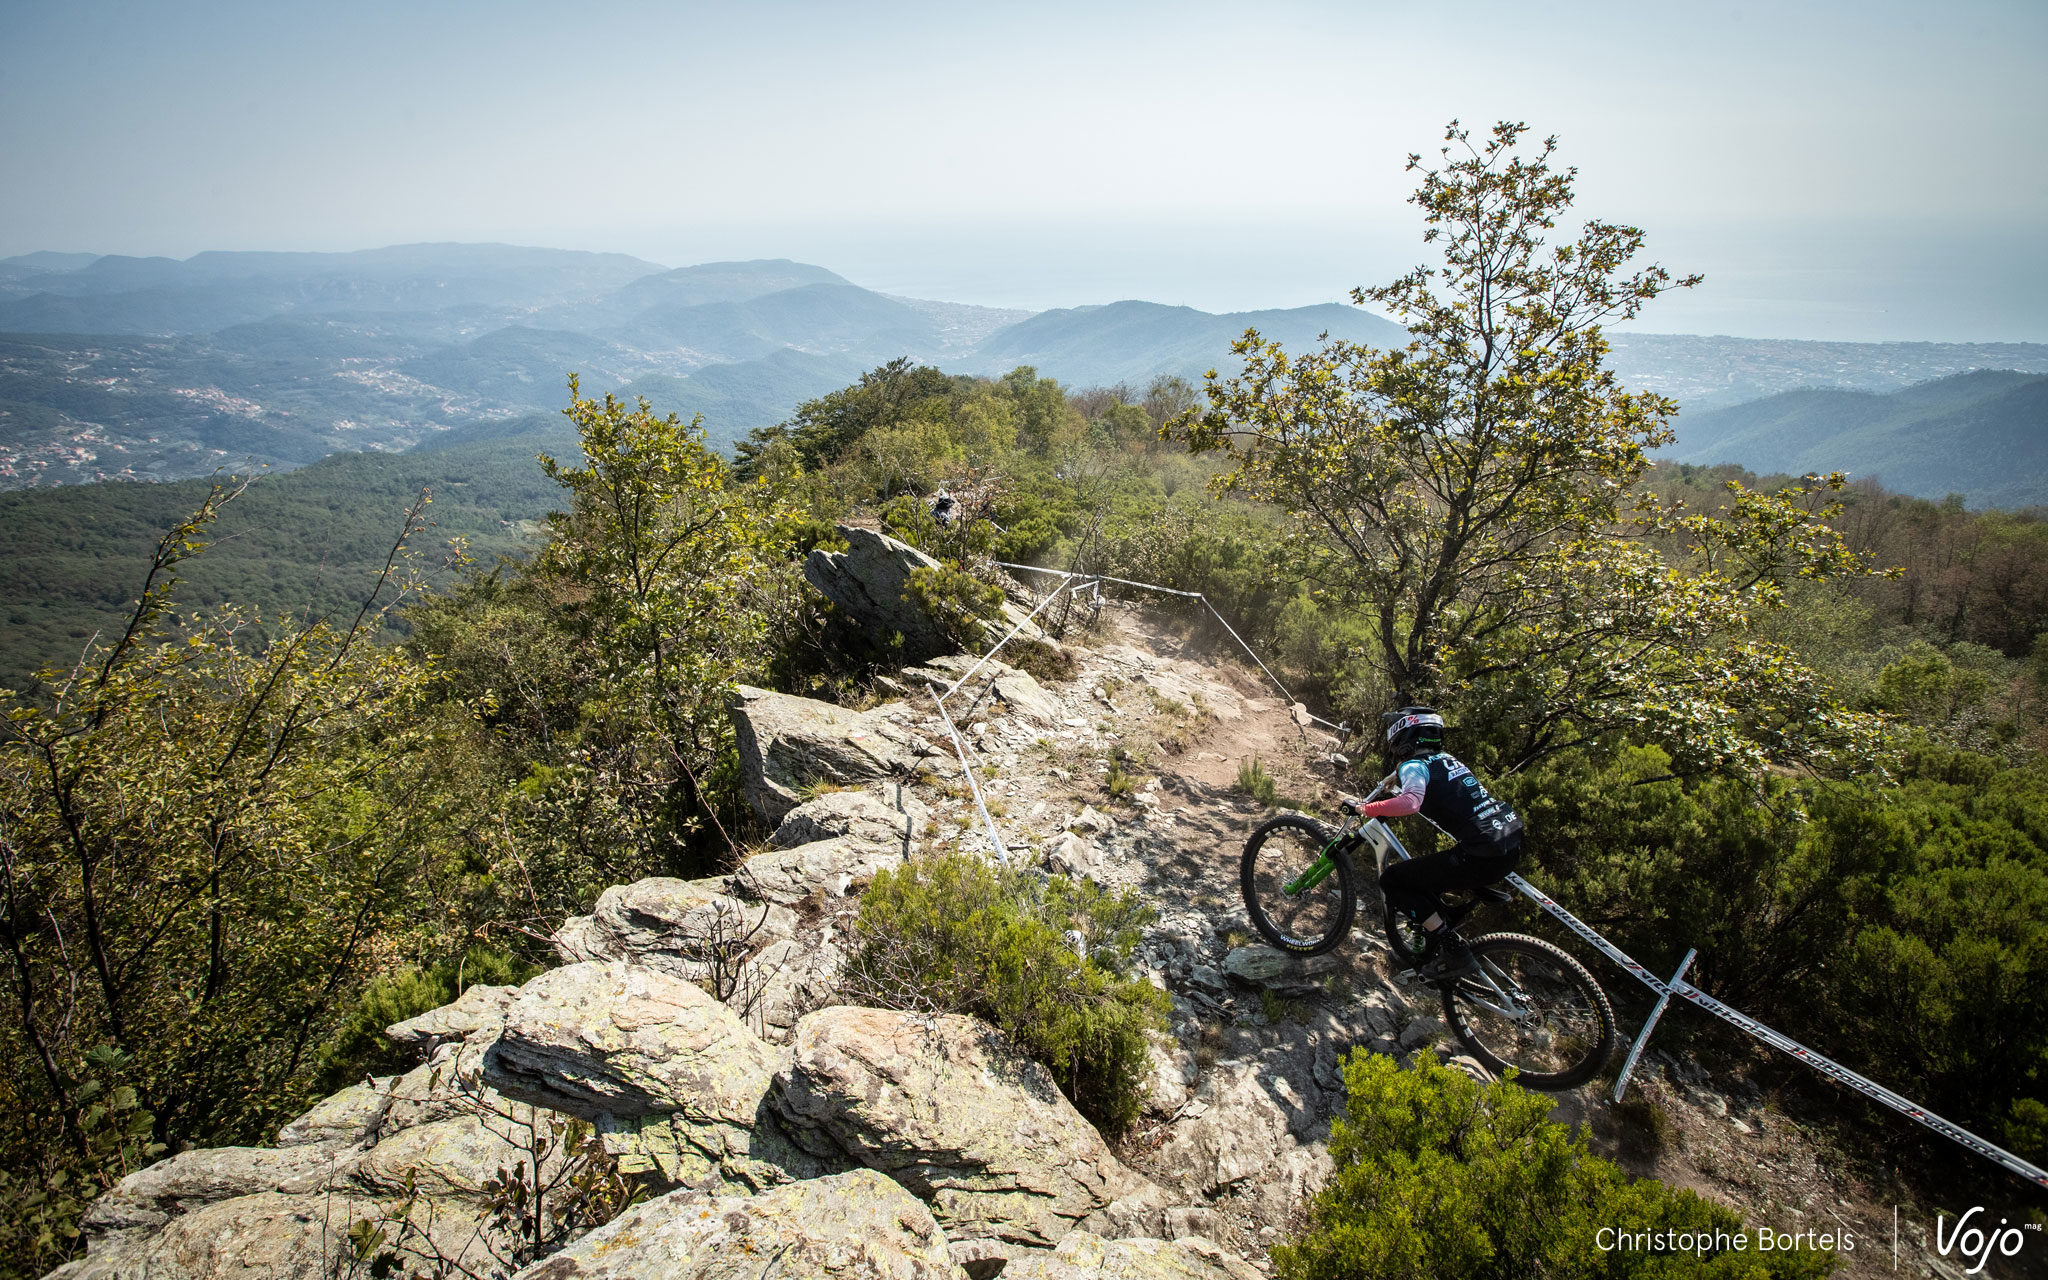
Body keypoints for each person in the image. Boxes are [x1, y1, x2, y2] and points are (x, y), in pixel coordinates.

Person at [1350, 706, 1523, 981]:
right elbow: (1434, 779)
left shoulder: (1414, 766)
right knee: (1424, 878)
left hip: (1480, 857)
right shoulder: (1447, 759)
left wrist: (1367, 809)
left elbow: (1411, 802)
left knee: (1393, 881)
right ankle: (1428, 951)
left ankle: (1454, 951)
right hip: (1508, 843)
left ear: (1402, 736)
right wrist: (1398, 775)